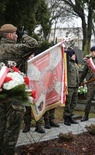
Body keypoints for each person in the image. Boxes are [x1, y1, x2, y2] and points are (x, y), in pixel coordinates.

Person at [0, 24, 38, 155]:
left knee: (1, 128)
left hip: (1, 95)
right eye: (16, 33)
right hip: (15, 95)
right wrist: (24, 35)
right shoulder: (15, 49)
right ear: (10, 35)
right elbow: (33, 44)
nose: (17, 36)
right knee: (12, 131)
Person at [22, 53, 45, 134]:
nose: (31, 57)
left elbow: (40, 75)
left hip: (36, 89)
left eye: (33, 55)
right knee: (27, 108)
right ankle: (27, 125)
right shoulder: (24, 64)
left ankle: (38, 126)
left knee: (38, 106)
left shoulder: (37, 65)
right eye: (30, 55)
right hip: (27, 89)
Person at [63, 49, 79, 126]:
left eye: (74, 54)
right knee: (68, 103)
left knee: (74, 102)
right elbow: (65, 57)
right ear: (70, 56)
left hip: (75, 86)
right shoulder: (68, 64)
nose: (74, 56)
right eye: (73, 55)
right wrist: (66, 51)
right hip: (70, 86)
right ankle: (66, 117)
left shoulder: (75, 65)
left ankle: (70, 115)